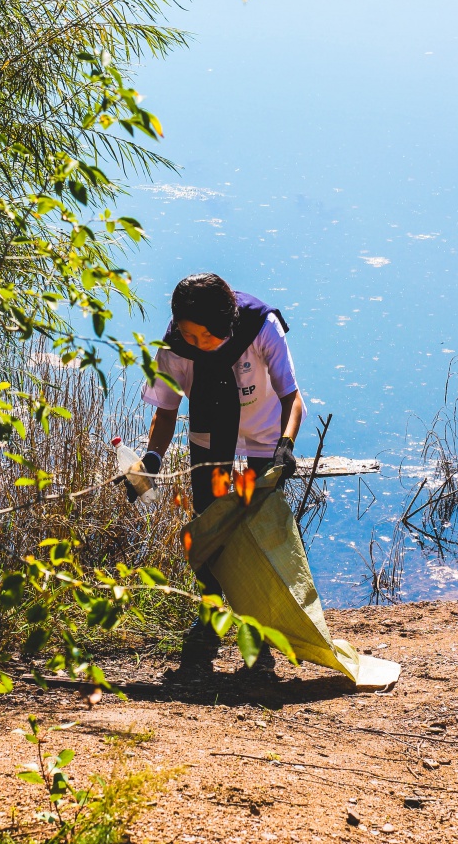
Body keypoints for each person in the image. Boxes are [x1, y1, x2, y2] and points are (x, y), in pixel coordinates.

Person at [139, 273, 306, 672]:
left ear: (227, 323)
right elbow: (166, 413)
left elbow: (292, 398)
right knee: (210, 524)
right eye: (188, 334)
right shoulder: (175, 346)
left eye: (204, 336)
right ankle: (211, 615)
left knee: (261, 526)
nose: (195, 343)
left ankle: (262, 624)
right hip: (210, 435)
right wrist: (151, 460)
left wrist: (286, 444)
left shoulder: (262, 326)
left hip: (264, 437)